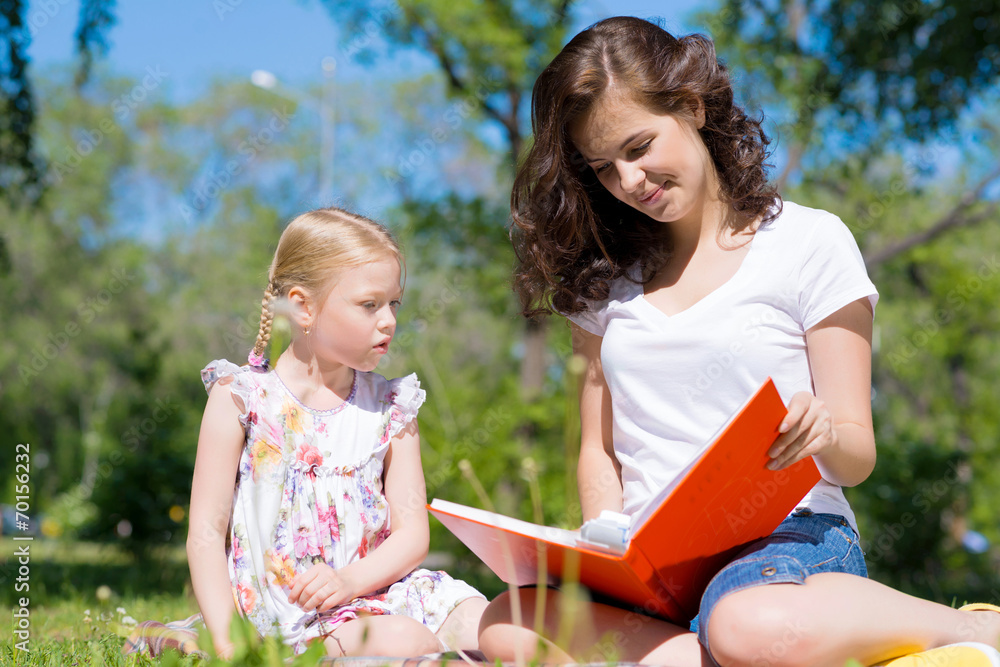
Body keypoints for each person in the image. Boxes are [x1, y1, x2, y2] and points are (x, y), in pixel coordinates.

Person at [476, 16, 1000, 667]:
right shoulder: (601, 286)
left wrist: (823, 433)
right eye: (604, 168)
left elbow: (855, 456)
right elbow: (597, 448)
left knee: (748, 622)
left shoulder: (809, 242)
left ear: (691, 106)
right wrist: (603, 540)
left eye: (639, 147)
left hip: (788, 542)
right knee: (507, 620)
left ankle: (968, 627)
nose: (629, 180)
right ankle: (716, 653)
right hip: (650, 566)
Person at [186, 207, 487, 658]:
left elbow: (412, 535)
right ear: (304, 306)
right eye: (370, 304)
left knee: (497, 624)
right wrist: (230, 645)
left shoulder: (392, 407)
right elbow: (207, 534)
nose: (388, 320)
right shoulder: (242, 399)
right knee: (406, 641)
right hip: (298, 615)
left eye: (393, 304)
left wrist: (350, 580)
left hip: (381, 588)